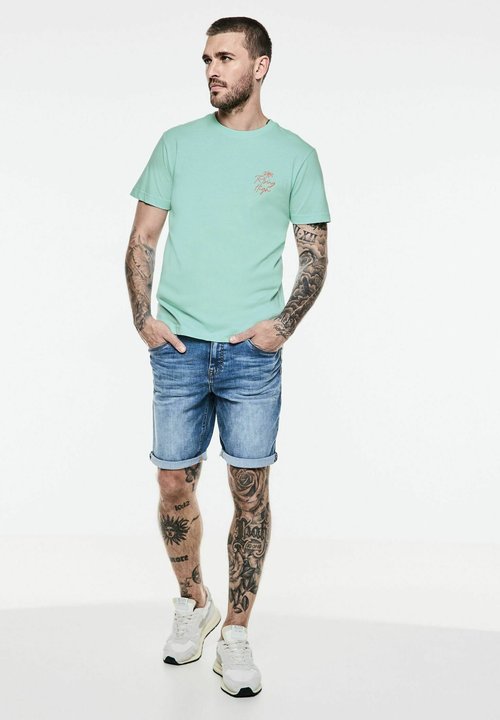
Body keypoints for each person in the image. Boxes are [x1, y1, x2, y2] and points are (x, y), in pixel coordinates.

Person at [125, 16, 331, 698]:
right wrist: (144, 318)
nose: (212, 70)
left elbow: (313, 255)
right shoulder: (177, 144)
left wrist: (284, 324)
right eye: (206, 59)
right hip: (180, 348)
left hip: (250, 356)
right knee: (172, 483)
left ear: (259, 66)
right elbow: (143, 238)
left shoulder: (296, 155)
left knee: (251, 493)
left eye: (225, 58)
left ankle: (236, 631)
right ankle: (195, 603)